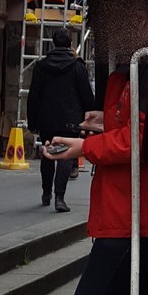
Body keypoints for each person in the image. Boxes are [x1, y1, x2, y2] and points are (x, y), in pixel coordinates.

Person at [43, 0, 148, 295]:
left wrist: (86, 145)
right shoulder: (127, 71)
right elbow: (127, 129)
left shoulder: (146, 66)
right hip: (118, 212)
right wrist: (99, 126)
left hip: (134, 215)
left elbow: (141, 140)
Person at [27, 27, 94, 212]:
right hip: (70, 117)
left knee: (47, 154)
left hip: (47, 117)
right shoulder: (76, 66)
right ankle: (60, 197)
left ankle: (46, 192)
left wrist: (32, 121)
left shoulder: (41, 66)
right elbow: (86, 94)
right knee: (64, 155)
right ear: (70, 44)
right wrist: (90, 116)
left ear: (54, 43)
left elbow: (34, 95)